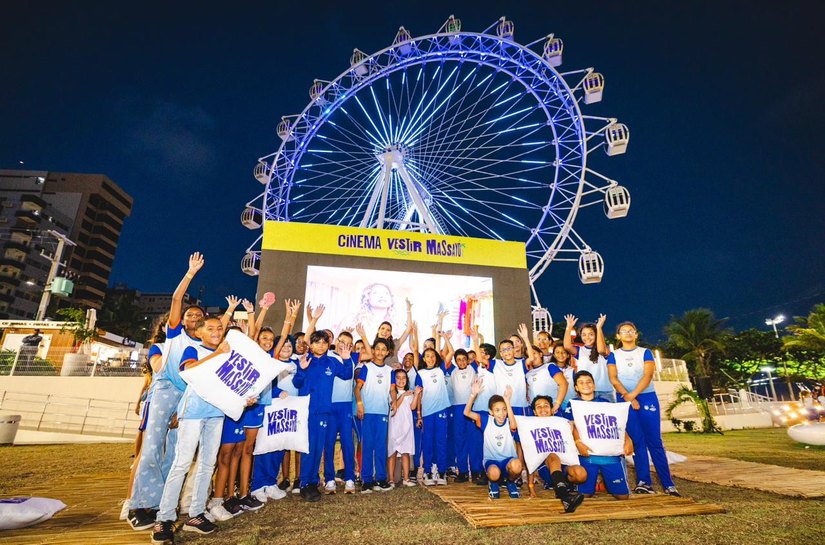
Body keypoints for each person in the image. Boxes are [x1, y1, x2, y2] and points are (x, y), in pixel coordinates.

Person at [152, 317, 248, 543]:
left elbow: (229, 385)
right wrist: (218, 354)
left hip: (216, 414)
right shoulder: (192, 348)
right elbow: (190, 371)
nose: (216, 332)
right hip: (193, 413)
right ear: (200, 332)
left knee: (207, 464)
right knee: (182, 464)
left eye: (220, 328)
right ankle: (164, 517)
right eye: (211, 328)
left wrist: (245, 399)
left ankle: (196, 513)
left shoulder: (228, 354)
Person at [129, 253, 207, 531]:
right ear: (182, 320)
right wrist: (190, 274)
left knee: (174, 453)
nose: (194, 317)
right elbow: (176, 300)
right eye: (190, 314)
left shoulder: (204, 345)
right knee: (151, 448)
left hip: (186, 398)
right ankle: (139, 505)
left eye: (199, 315)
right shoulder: (175, 335)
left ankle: (162, 502)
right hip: (165, 393)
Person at [607, 321, 680, 497]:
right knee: (638, 442)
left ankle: (668, 483)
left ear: (636, 334)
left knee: (654, 442)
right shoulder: (614, 355)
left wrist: (633, 396)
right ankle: (644, 482)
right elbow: (614, 378)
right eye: (623, 331)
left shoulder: (645, 353)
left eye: (631, 331)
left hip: (646, 397)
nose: (627, 333)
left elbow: (647, 376)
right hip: (624, 399)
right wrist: (628, 397)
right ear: (618, 336)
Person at [292, 307, 353, 502]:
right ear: (311, 344)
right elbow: (296, 383)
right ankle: (305, 483)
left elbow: (347, 375)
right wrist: (301, 371)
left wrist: (346, 359)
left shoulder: (332, 363)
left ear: (328, 345)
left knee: (319, 447)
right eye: (316, 342)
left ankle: (312, 481)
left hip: (325, 411)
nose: (320, 345)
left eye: (323, 343)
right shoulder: (305, 360)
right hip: (308, 411)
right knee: (308, 447)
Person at [562, 370, 633, 501]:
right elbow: (571, 426)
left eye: (589, 382)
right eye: (581, 383)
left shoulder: (605, 402)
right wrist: (578, 442)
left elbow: (616, 423)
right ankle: (583, 482)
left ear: (594, 385)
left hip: (609, 456)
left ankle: (605, 481)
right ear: (576, 387)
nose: (586, 385)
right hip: (587, 454)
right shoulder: (573, 404)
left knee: (623, 496)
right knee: (585, 495)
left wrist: (627, 440)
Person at [323, 325, 369, 495]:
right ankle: (329, 480)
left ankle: (349, 478)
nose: (345, 345)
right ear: (335, 342)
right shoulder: (328, 355)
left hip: (345, 407)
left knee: (348, 443)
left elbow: (369, 354)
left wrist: (363, 336)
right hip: (330, 406)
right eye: (342, 341)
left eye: (349, 343)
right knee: (328, 444)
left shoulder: (352, 357)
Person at [526, 394, 586, 512]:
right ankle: (564, 494)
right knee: (553, 455)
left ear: (552, 410)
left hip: (564, 466)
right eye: (539, 407)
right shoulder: (530, 426)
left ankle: (564, 492)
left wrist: (570, 428)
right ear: (534, 412)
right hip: (547, 467)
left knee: (581, 473)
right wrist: (531, 487)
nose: (543, 409)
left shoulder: (561, 423)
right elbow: (528, 457)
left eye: (546, 406)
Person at [464, 382, 522, 499]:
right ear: (491, 412)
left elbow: (514, 424)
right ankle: (493, 483)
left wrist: (507, 402)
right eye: (497, 410)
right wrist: (473, 395)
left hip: (508, 461)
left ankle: (510, 482)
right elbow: (467, 412)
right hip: (492, 461)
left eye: (504, 410)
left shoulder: (509, 422)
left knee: (517, 466)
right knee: (494, 473)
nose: (501, 413)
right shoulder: (486, 421)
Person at [414, 326, 453, 486]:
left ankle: (441, 471)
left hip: (441, 411)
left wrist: (446, 338)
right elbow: (420, 394)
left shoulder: (440, 369)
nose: (429, 358)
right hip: (428, 413)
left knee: (441, 441)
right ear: (424, 359)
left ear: (436, 358)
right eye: (427, 356)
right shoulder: (420, 374)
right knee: (428, 441)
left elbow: (450, 352)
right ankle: (428, 471)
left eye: (432, 356)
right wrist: (419, 415)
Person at [355, 338, 394, 493]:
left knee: (380, 446)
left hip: (382, 412)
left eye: (383, 349)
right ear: (373, 350)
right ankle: (367, 480)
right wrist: (360, 404)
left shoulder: (389, 371)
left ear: (387, 353)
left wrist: (394, 401)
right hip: (368, 412)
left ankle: (381, 479)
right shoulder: (366, 368)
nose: (380, 352)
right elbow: (357, 388)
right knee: (367, 445)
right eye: (377, 348)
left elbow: (391, 390)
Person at [519, 324, 567, 414]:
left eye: (534, 353)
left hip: (552, 410)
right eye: (529, 355)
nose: (532, 356)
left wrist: (557, 404)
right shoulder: (527, 374)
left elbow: (563, 384)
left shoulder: (550, 366)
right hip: (536, 413)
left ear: (541, 354)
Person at [564, 314, 613, 401]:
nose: (587, 337)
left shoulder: (605, 349)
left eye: (591, 334)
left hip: (604, 391)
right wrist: (569, 327)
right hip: (585, 390)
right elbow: (567, 346)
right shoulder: (579, 350)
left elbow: (601, 350)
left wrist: (598, 328)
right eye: (584, 335)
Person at [387, 368, 422, 487]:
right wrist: (403, 396)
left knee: (405, 452)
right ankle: (391, 479)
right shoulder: (392, 393)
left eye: (403, 378)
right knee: (392, 451)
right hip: (394, 425)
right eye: (398, 378)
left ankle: (406, 478)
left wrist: (416, 394)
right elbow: (394, 405)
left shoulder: (409, 393)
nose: (401, 380)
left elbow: (412, 407)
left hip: (406, 426)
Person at [446, 348, 476, 482]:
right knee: (460, 440)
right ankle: (462, 471)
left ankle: (476, 471)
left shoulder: (473, 368)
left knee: (473, 440)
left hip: (472, 406)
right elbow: (449, 354)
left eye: (464, 359)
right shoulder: (453, 372)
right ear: (455, 361)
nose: (462, 362)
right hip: (458, 409)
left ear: (468, 360)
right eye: (459, 360)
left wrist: (476, 338)